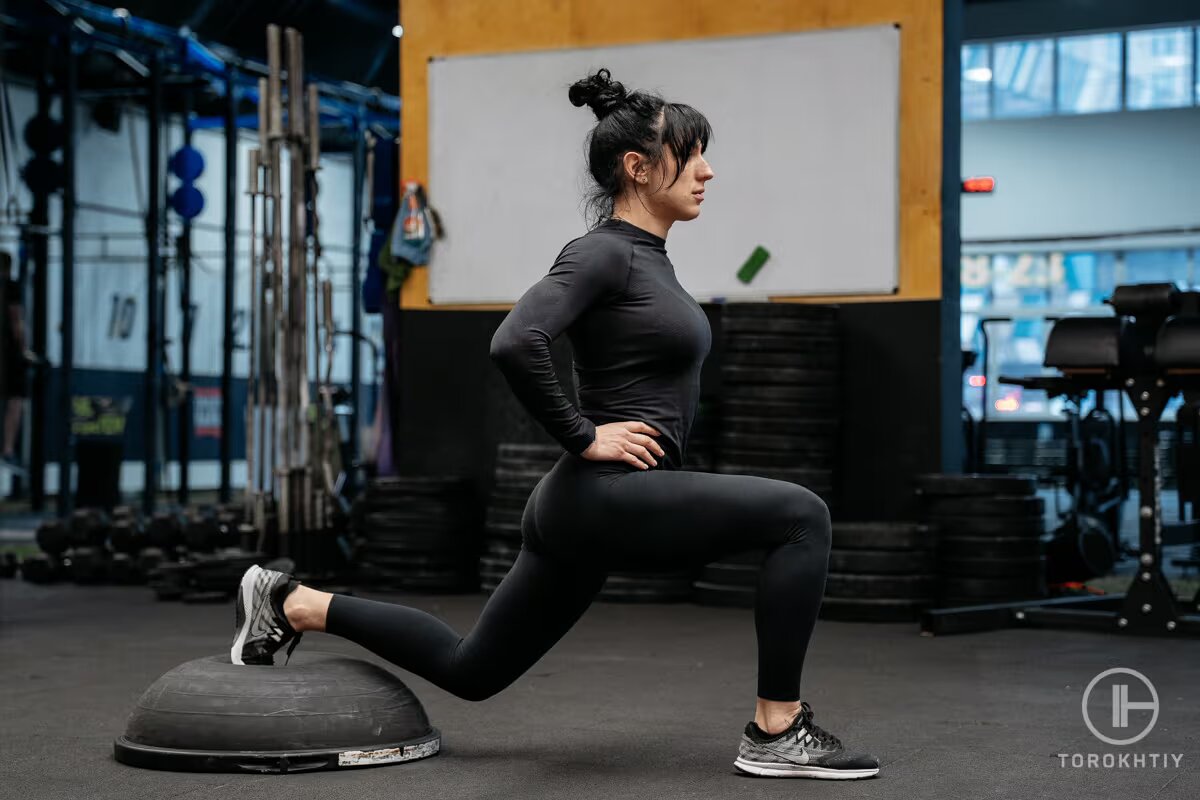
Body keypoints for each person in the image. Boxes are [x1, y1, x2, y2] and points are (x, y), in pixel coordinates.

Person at [230, 68, 879, 780]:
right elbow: (516, 339)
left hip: (588, 508)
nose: (707, 170)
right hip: (601, 495)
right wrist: (584, 434)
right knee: (801, 517)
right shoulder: (603, 252)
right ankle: (776, 728)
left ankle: (291, 601)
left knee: (471, 669)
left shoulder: (649, 262)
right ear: (638, 168)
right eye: (692, 155)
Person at [1, 252, 26, 475]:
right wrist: (24, 350)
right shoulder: (10, 286)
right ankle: (7, 449)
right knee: (16, 400)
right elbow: (16, 322)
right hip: (8, 353)